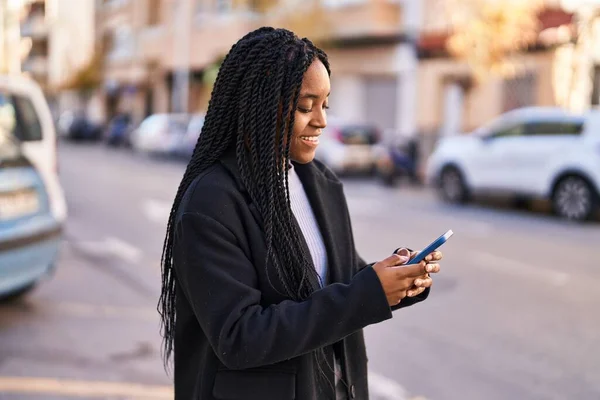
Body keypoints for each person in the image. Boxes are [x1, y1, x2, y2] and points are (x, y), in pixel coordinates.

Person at [158, 27, 443, 400]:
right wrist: (367, 294)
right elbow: (240, 336)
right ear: (258, 105)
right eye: (306, 106)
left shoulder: (319, 181)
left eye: (326, 105)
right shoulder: (211, 202)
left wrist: (399, 279)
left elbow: (338, 277)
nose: (321, 121)